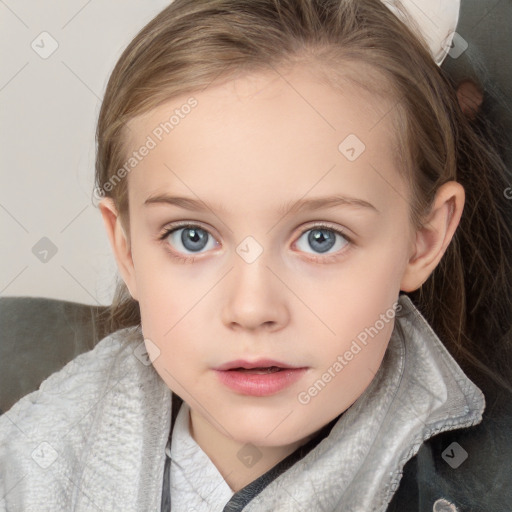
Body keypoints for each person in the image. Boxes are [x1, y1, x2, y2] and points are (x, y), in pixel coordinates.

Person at [1, 0, 511, 510]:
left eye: (321, 238)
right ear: (127, 249)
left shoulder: (470, 488)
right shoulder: (30, 459)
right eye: (191, 237)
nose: (251, 308)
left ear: (424, 239)